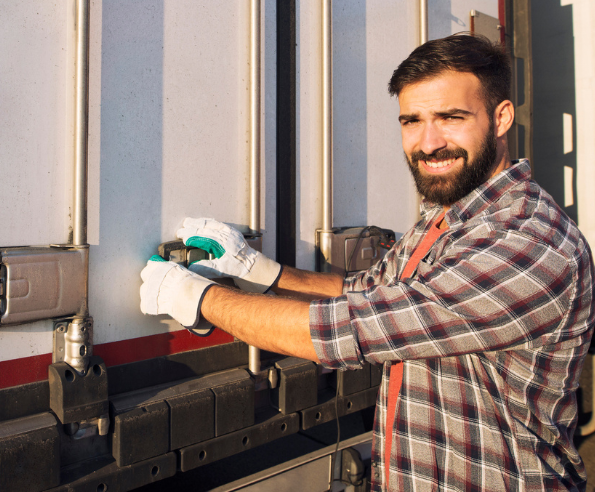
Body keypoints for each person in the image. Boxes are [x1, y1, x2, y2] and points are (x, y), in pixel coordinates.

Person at [139, 33, 594, 491]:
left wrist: (196, 297)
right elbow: (370, 292)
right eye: (411, 120)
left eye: (450, 118)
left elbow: (348, 329)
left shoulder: (529, 244)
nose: (428, 142)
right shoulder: (448, 215)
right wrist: (259, 270)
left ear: (501, 118)